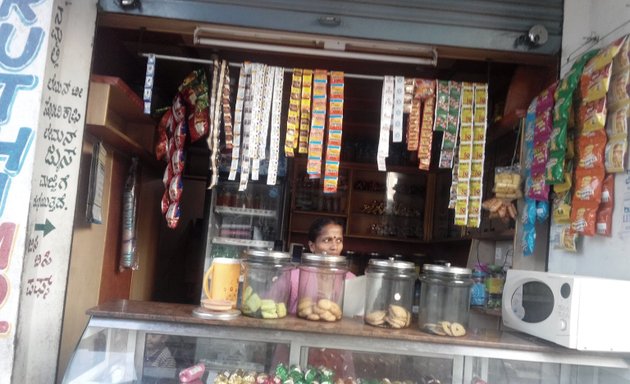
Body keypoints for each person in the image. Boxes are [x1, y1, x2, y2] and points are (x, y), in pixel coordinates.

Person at [288, 217, 355, 314]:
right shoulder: (294, 278)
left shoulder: (350, 280)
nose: (334, 247)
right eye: (327, 240)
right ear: (312, 246)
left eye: (339, 240)